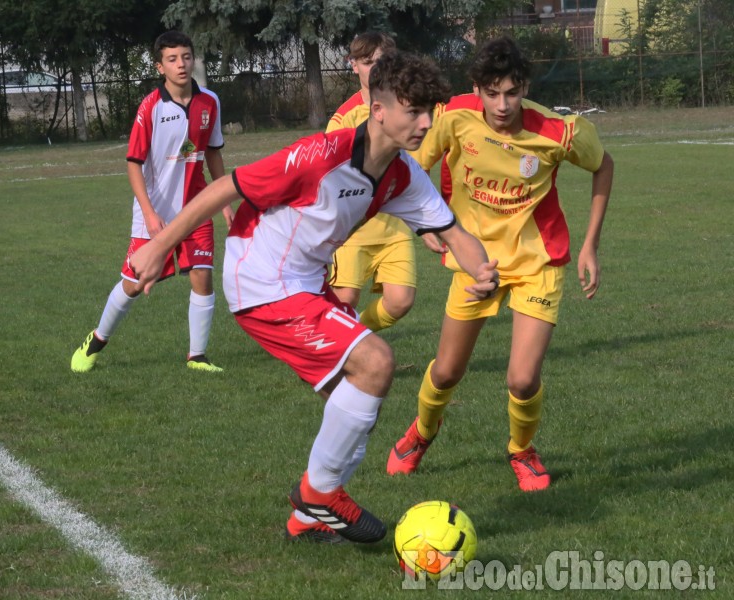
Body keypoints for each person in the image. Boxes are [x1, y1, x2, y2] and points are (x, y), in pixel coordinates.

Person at [128, 50, 499, 543]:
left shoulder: (404, 174)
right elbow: (227, 188)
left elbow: (452, 232)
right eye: (414, 110)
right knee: (375, 363)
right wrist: (159, 245)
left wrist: (482, 271)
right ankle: (319, 494)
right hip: (259, 276)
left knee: (354, 405)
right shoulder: (321, 156)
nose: (426, 122)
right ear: (379, 110)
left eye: (430, 110)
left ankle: (306, 520)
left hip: (304, 281)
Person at [387, 36, 614, 492]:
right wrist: (428, 226)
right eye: (492, 93)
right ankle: (421, 434)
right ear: (477, 88)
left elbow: (603, 165)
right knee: (448, 370)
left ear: (524, 87)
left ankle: (522, 451)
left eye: (512, 92)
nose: (503, 104)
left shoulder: (558, 131)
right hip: (476, 263)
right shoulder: (453, 117)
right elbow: (411, 166)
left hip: (538, 261)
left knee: (523, 377)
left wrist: (590, 244)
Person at [70, 31, 233, 374]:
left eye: (186, 57)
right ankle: (97, 339)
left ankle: (197, 357)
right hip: (155, 212)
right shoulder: (151, 107)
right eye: (172, 59)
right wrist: (149, 212)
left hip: (196, 206)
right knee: (134, 283)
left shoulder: (210, 102)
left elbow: (213, 155)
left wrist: (225, 202)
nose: (181, 64)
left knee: (203, 275)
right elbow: (133, 163)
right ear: (160, 66)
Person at [326, 32, 417, 332]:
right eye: (367, 62)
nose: (374, 68)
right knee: (345, 298)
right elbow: (330, 174)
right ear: (353, 66)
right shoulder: (343, 118)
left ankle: (357, 334)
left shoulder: (406, 108)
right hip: (354, 229)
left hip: (395, 227)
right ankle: (332, 356)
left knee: (401, 301)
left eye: (381, 61)